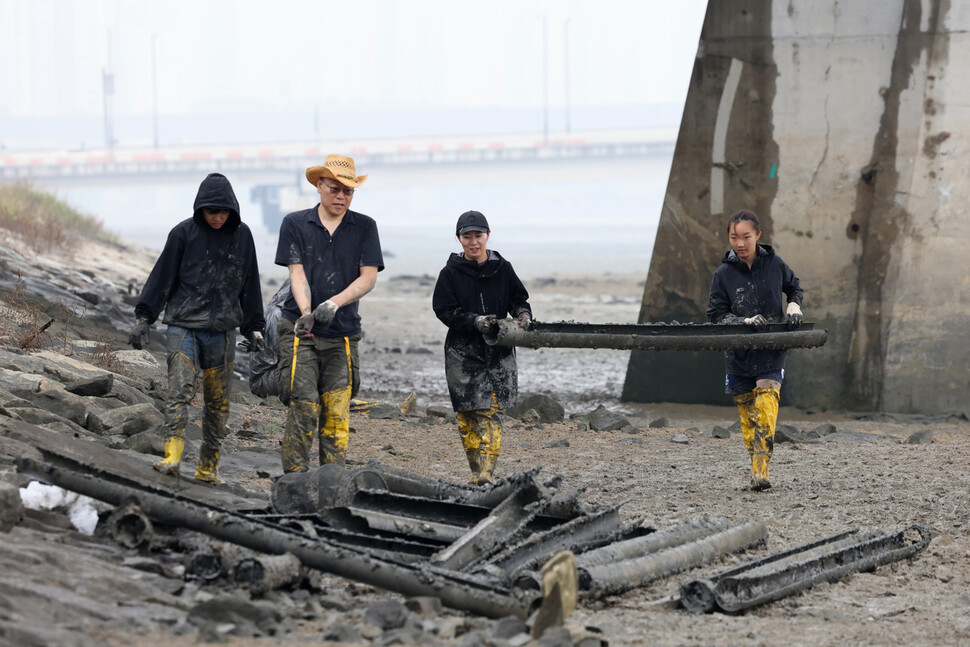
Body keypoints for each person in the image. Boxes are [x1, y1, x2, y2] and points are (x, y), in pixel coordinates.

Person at [128, 172, 265, 485]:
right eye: (211, 211)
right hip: (183, 327)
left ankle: (208, 467)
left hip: (223, 332)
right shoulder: (182, 234)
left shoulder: (243, 237)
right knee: (179, 393)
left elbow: (250, 284)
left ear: (232, 210)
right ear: (200, 208)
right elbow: (162, 278)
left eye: (223, 212)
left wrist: (254, 328)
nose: (217, 217)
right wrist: (143, 318)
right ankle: (172, 456)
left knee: (218, 404)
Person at [275, 154, 383, 472]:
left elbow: (369, 277)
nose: (341, 196)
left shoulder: (365, 227)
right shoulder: (295, 224)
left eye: (348, 191)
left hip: (343, 334)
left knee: (337, 413)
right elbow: (297, 274)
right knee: (304, 407)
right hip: (299, 331)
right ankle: (294, 480)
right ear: (319, 186)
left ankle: (331, 483)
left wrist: (333, 304)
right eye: (334, 188)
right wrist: (307, 312)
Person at [432, 210, 533, 485]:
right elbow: (443, 310)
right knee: (467, 417)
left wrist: (524, 315)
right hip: (461, 354)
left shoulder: (503, 268)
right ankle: (477, 473)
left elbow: (519, 299)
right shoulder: (450, 273)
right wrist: (475, 321)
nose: (473, 242)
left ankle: (486, 474)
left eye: (478, 235)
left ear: (488, 236)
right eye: (467, 236)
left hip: (498, 352)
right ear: (459, 239)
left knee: (491, 412)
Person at [707, 209, 803, 491]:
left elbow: (794, 287)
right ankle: (757, 465)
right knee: (749, 418)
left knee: (766, 405)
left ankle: (761, 471)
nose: (740, 243)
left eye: (746, 237)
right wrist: (742, 321)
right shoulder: (722, 274)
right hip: (738, 354)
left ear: (758, 236)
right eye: (734, 237)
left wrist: (794, 305)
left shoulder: (775, 264)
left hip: (772, 349)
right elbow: (715, 314)